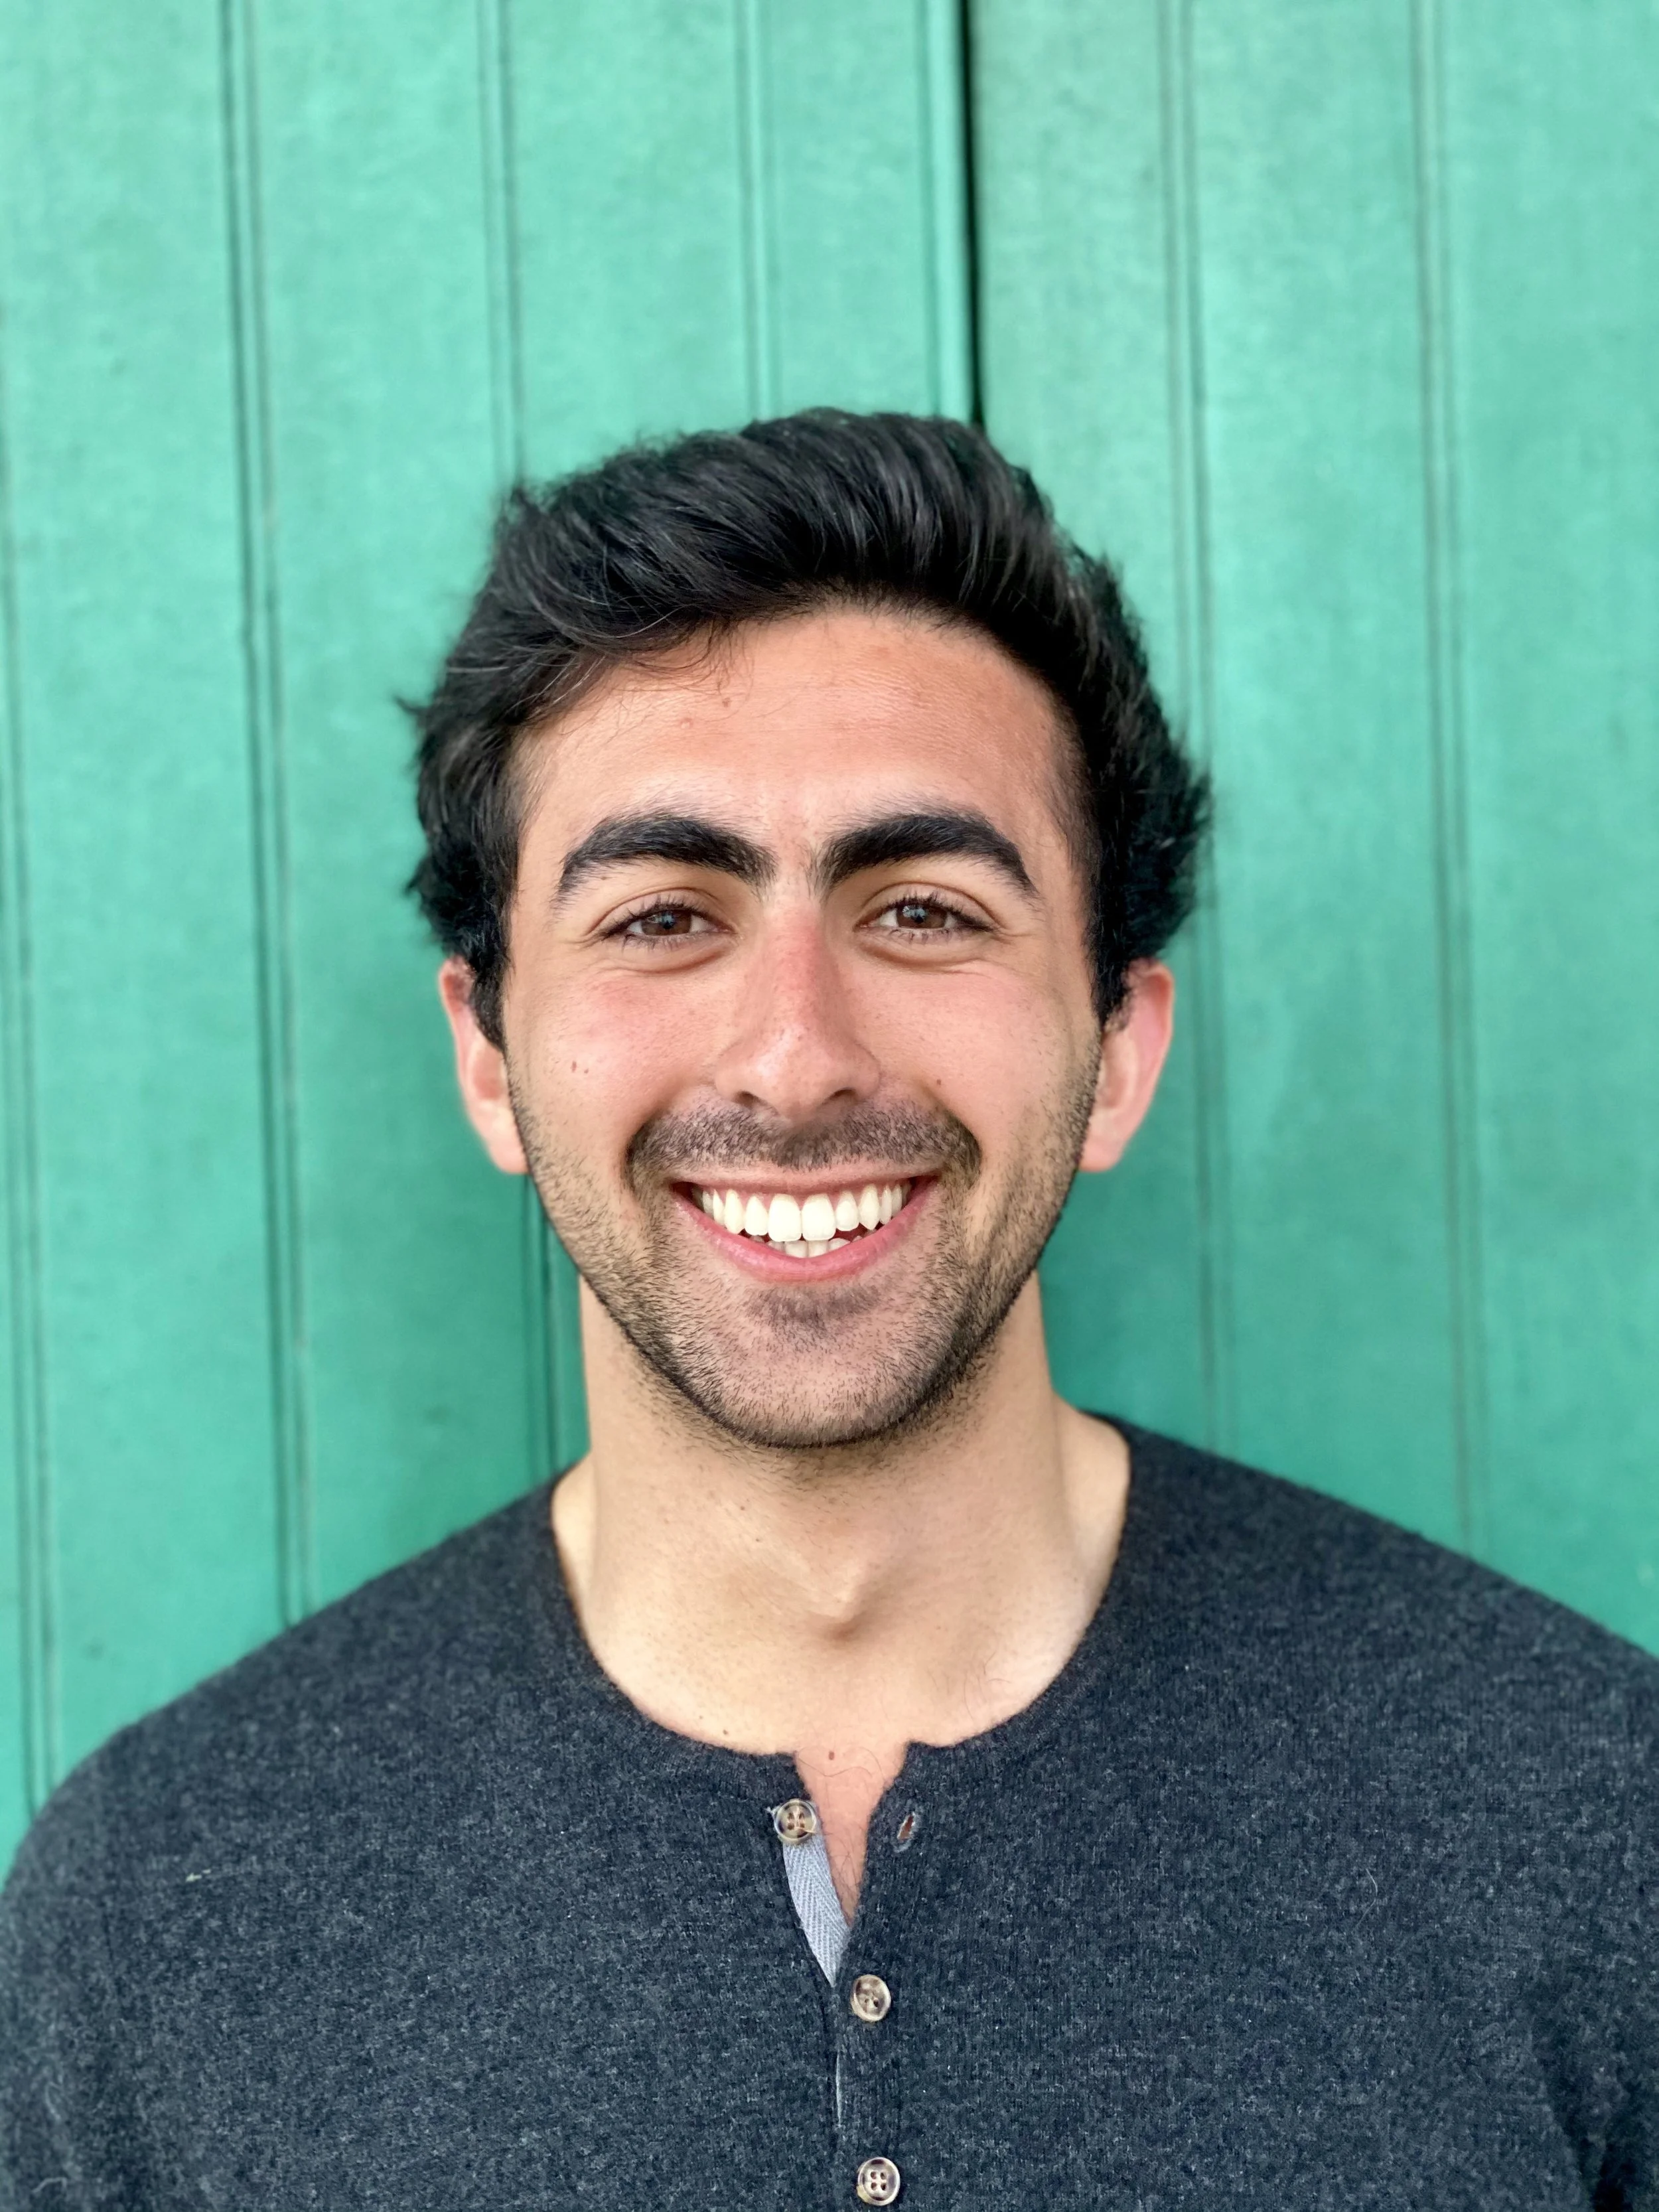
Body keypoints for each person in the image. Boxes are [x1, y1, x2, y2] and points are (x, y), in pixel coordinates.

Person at [1, 410, 1654, 2210]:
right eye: (660, 917)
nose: (794, 1056)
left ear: (1113, 1051)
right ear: (485, 1054)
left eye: (925, 907)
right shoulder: (158, 1914)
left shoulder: (1579, 1817)